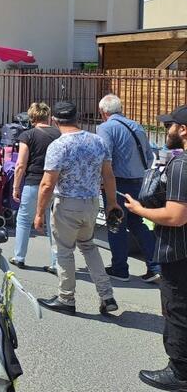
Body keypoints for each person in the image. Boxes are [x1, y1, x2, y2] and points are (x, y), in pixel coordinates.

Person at [34, 100, 120, 316]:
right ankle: (107, 295)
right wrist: (112, 203)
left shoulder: (59, 145)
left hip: (67, 203)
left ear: (54, 120)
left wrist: (38, 214)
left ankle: (66, 297)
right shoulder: (97, 141)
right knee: (89, 246)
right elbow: (108, 176)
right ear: (78, 118)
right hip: (91, 203)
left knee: (64, 251)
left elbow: (47, 184)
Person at [126, 105, 187, 390]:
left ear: (183, 129)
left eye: (170, 126)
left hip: (178, 249)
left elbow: (175, 216)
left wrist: (139, 210)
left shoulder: (181, 164)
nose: (166, 131)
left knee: (176, 308)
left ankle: (179, 371)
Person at [97, 94, 160, 283]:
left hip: (117, 182)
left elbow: (104, 157)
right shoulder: (136, 126)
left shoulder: (106, 128)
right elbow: (150, 156)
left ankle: (120, 268)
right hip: (139, 181)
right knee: (137, 223)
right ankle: (156, 266)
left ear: (103, 112)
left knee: (116, 224)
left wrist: (102, 179)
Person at [11, 102, 59, 273]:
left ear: (31, 117)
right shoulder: (59, 134)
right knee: (53, 224)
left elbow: (20, 164)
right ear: (47, 116)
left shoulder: (28, 135)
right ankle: (56, 263)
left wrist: (16, 186)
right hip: (54, 183)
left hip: (33, 182)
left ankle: (19, 257)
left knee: (24, 219)